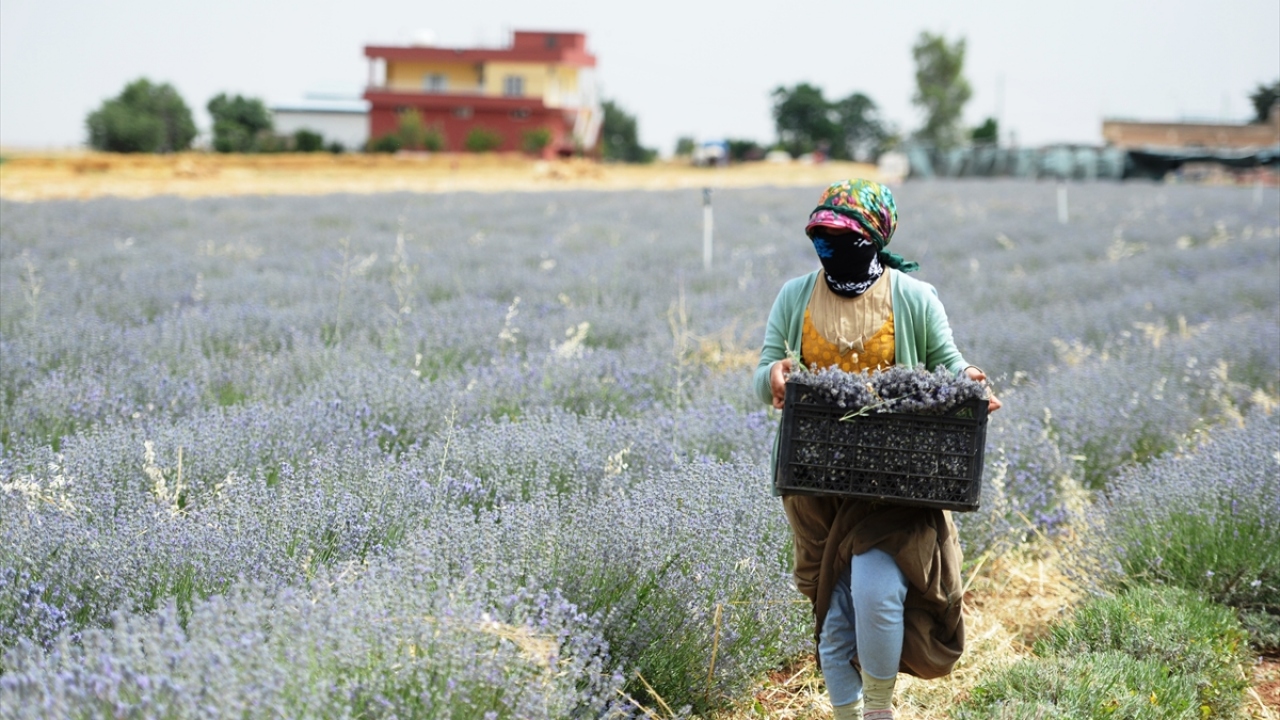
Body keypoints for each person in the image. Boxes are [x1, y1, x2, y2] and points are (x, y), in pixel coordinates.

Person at [752, 179, 1001, 720]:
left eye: (842, 236)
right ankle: (847, 713)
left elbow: (948, 363)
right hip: (816, 482)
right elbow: (765, 367)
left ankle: (880, 710)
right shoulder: (795, 295)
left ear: (873, 237)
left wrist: (970, 382)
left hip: (896, 480)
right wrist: (771, 375)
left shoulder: (913, 297)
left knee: (876, 591)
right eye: (820, 235)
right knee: (834, 611)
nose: (828, 247)